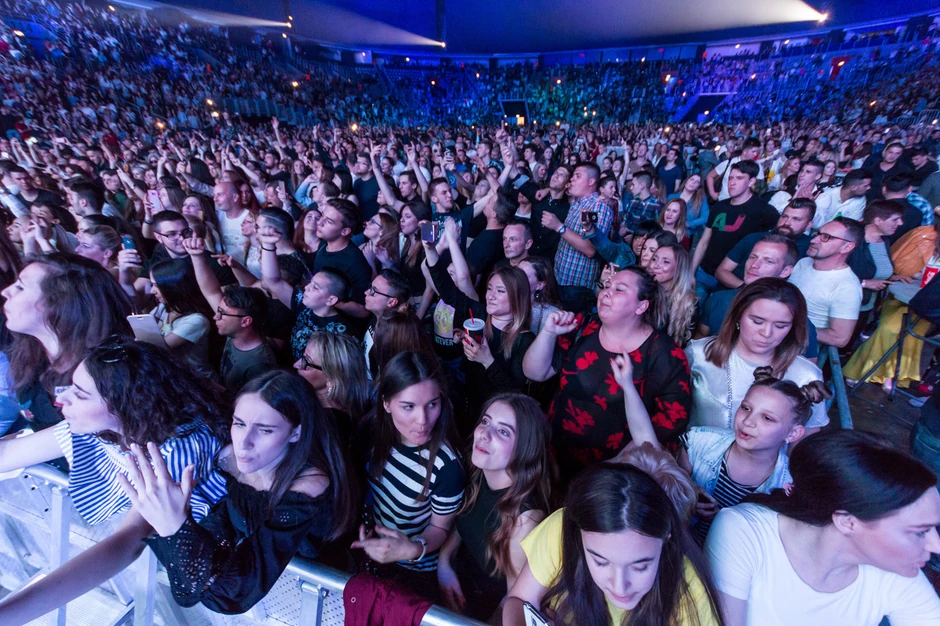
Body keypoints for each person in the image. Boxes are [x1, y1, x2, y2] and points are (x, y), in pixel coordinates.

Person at [127, 371, 358, 614]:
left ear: (296, 433)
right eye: (239, 423)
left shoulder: (308, 486)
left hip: (322, 593)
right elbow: (223, 533)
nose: (243, 442)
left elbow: (230, 594)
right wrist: (182, 525)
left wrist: (176, 528)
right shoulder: (230, 460)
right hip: (273, 592)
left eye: (265, 430)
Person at [705, 430, 940, 626]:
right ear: (847, 521)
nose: (937, 546)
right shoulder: (744, 533)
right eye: (920, 531)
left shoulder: (895, 567)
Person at [0, 338, 227, 526]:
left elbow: (128, 540)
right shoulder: (102, 428)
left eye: (80, 394)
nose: (60, 399)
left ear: (127, 406)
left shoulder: (174, 457)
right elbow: (8, 454)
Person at [523, 266, 691, 479]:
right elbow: (535, 372)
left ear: (641, 306)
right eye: (606, 286)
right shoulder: (582, 326)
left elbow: (669, 425)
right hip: (551, 456)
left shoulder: (666, 354)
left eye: (619, 289)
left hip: (611, 474)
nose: (606, 292)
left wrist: (614, 467)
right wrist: (548, 332)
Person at [503, 463, 722, 626]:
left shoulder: (689, 590)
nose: (619, 586)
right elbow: (519, 599)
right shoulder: (562, 529)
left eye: (640, 566)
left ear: (666, 541)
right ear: (578, 537)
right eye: (600, 561)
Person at [352, 352, 465, 602]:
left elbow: (440, 528)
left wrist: (412, 548)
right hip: (378, 555)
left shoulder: (447, 466)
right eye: (409, 406)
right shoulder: (373, 434)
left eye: (432, 404)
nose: (423, 421)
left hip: (415, 572)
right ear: (386, 403)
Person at [679, 368, 830, 544]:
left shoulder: (788, 487)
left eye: (767, 418)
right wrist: (689, 495)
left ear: (793, 434)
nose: (748, 421)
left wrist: (723, 523)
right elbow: (671, 489)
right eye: (746, 408)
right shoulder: (697, 442)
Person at [437, 393, 553, 621]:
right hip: (458, 583)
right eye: (485, 422)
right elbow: (464, 523)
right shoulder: (481, 471)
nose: (484, 434)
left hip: (486, 610)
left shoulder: (526, 520)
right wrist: (444, 563)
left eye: (503, 431)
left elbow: (514, 598)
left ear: (525, 448)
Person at [2, 253, 132, 436]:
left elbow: (70, 442)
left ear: (59, 304)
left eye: (20, 287)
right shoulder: (30, 350)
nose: (5, 292)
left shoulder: (103, 374)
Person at [687, 278, 829, 431]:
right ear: (738, 316)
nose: (766, 333)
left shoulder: (806, 374)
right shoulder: (698, 354)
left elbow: (805, 441)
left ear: (792, 328)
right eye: (757, 321)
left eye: (781, 325)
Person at [427, 230, 535, 420]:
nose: (491, 295)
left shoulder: (524, 339)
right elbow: (447, 288)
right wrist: (430, 249)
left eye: (500, 291)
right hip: (468, 402)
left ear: (517, 297)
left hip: (494, 415)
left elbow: (516, 393)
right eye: (490, 288)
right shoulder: (479, 314)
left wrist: (487, 360)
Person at [843, 219, 940, 392]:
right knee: (889, 328)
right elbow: (906, 264)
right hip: (905, 297)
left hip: (928, 307)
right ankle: (863, 370)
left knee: (905, 331)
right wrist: (912, 276)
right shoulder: (924, 236)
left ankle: (889, 375)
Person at [693, 161, 778, 307]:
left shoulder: (764, 211)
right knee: (693, 316)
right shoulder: (719, 206)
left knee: (715, 321)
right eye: (730, 178)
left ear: (751, 181)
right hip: (704, 273)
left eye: (739, 178)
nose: (732, 183)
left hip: (731, 279)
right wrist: (692, 272)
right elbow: (704, 241)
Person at [540, 162, 613, 313]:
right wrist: (547, 188)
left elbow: (590, 249)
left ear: (591, 182)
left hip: (577, 288)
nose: (572, 179)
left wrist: (558, 226)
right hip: (560, 279)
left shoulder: (599, 207)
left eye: (577, 176)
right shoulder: (576, 203)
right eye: (572, 176)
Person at [700, 235, 799, 338]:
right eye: (752, 257)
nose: (754, 265)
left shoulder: (792, 318)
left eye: (768, 261)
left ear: (785, 271)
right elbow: (699, 341)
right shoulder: (719, 299)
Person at [787, 217, 863, 349]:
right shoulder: (803, 263)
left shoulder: (847, 287)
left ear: (847, 247)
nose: (813, 240)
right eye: (818, 234)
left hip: (799, 348)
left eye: (826, 237)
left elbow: (840, 338)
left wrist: (787, 328)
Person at [715, 199, 814, 289]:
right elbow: (722, 271)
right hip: (733, 293)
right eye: (784, 216)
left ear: (808, 225)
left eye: (796, 219)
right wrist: (746, 290)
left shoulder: (809, 248)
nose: (787, 223)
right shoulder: (753, 238)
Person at [149, 258, 216, 378]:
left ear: (172, 286)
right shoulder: (162, 308)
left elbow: (160, 348)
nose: (151, 291)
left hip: (196, 381)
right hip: (172, 376)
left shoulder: (196, 320)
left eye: (156, 285)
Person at [294, 331, 371, 434]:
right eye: (303, 357)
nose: (296, 365)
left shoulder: (327, 427)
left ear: (332, 378)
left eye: (306, 362)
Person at [649, 243, 697, 346]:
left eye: (665, 262)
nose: (656, 265)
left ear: (679, 268)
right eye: (654, 259)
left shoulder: (689, 302)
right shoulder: (644, 291)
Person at [518, 256, 562, 334]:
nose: (516, 278)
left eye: (524, 275)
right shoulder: (502, 300)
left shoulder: (550, 315)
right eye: (516, 272)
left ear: (540, 285)